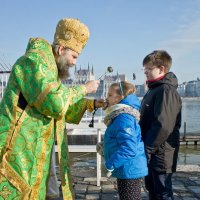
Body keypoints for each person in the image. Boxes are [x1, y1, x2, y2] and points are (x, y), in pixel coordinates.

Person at [0, 18, 103, 200]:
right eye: (74, 56)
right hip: (17, 150)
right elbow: (54, 103)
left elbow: (59, 109)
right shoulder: (33, 62)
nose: (73, 63)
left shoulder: (49, 69)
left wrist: (91, 104)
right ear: (61, 49)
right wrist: (84, 88)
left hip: (35, 149)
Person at [139, 50, 182, 200]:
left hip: (161, 154)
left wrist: (147, 149)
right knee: (152, 189)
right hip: (153, 153)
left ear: (162, 68)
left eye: (149, 69)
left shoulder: (166, 90)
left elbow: (163, 125)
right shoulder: (154, 89)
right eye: (145, 69)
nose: (145, 72)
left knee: (162, 192)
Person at [103, 81, 148, 200]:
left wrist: (109, 165)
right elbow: (119, 139)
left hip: (129, 168)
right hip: (126, 167)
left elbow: (129, 148)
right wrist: (103, 146)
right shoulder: (121, 114)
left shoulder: (123, 117)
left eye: (110, 95)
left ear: (120, 97)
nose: (107, 98)